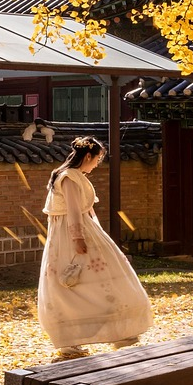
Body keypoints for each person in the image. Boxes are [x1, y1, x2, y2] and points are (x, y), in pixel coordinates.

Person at [37, 135, 152, 360]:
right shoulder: (68, 177)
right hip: (70, 234)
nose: (97, 164)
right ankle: (74, 340)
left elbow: (87, 211)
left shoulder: (76, 176)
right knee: (73, 283)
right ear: (87, 155)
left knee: (101, 279)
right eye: (97, 159)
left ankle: (121, 331)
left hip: (82, 230)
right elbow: (72, 210)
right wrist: (78, 238)